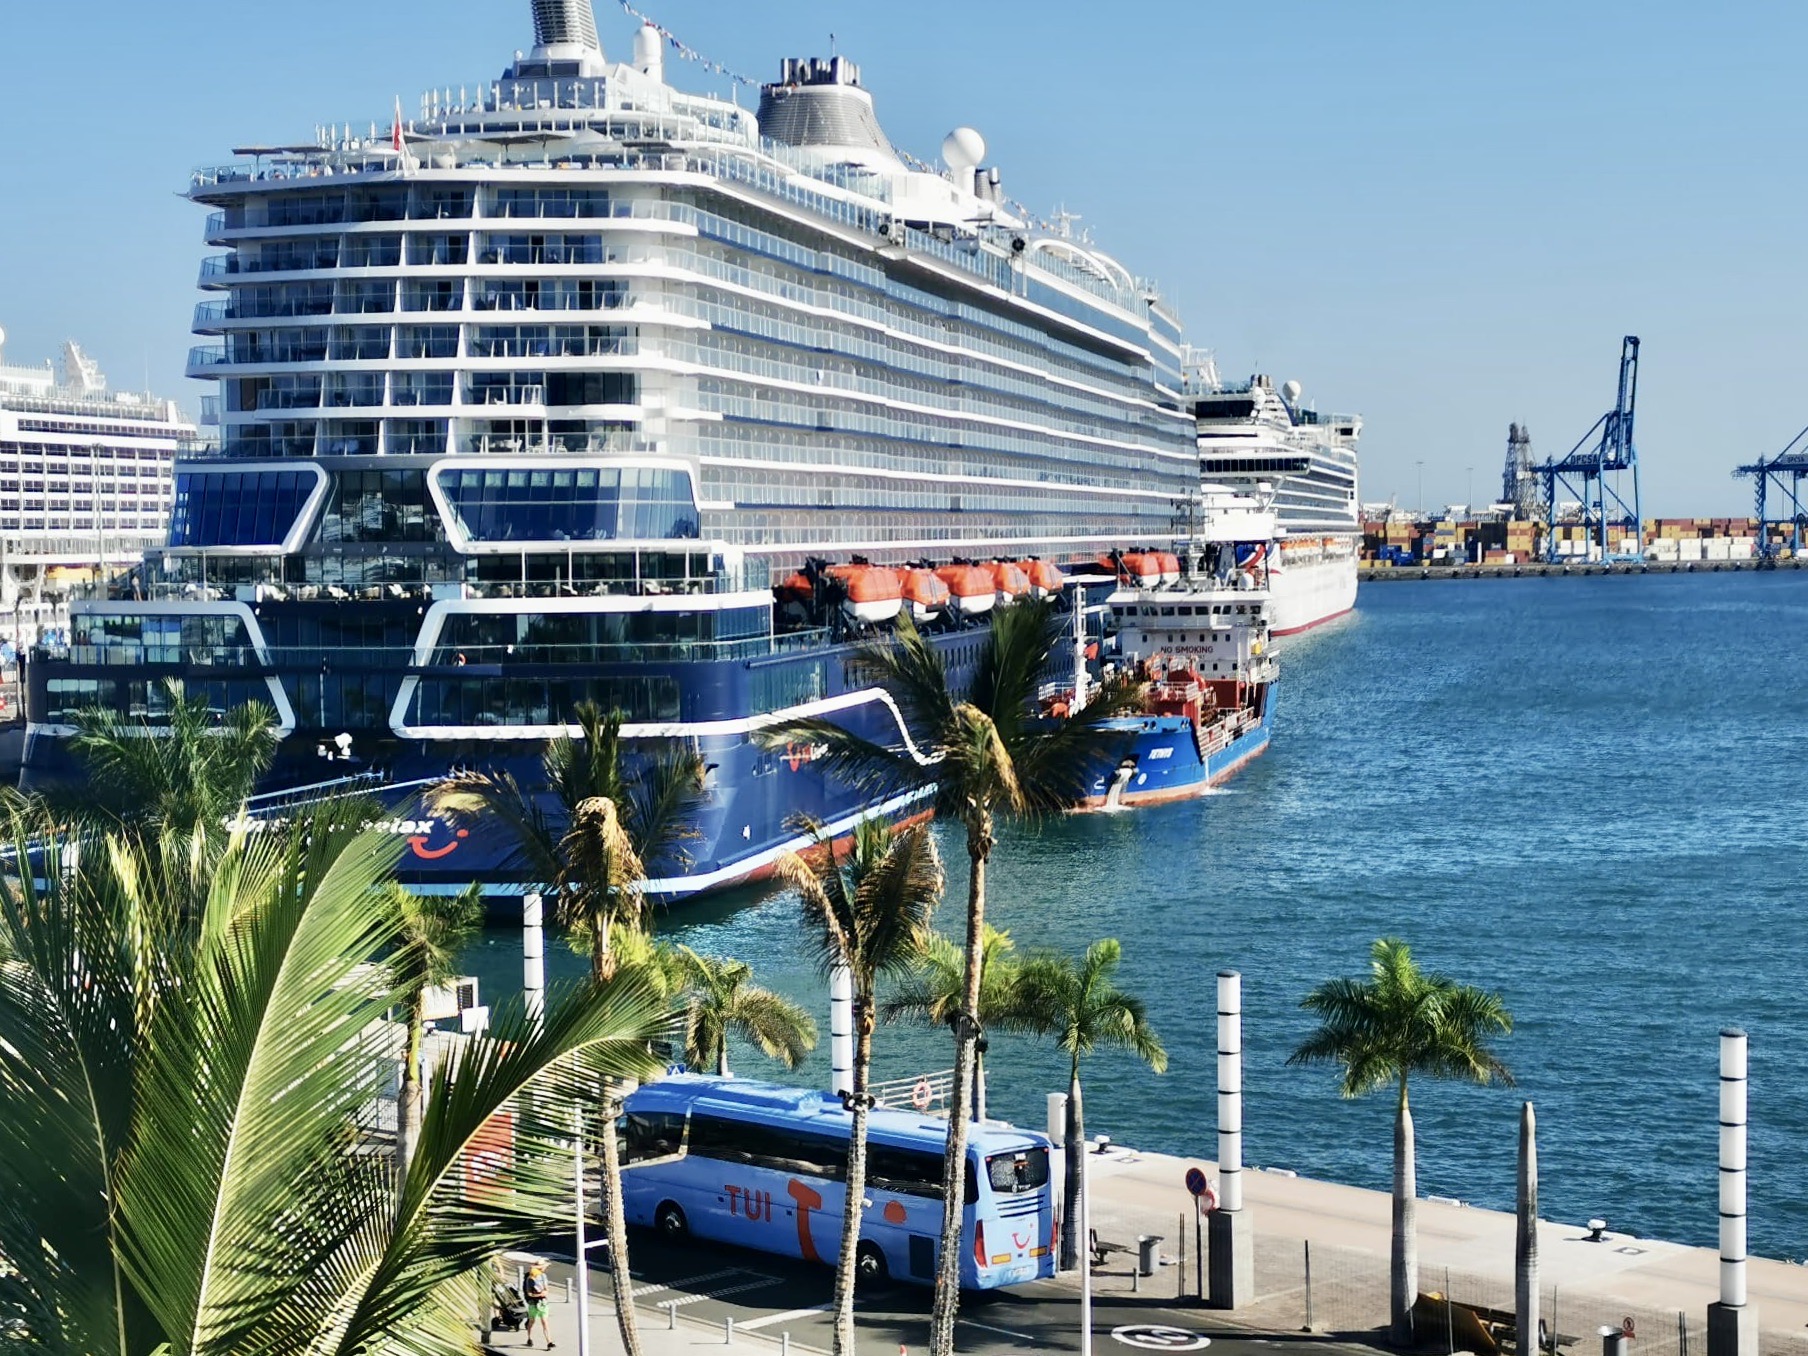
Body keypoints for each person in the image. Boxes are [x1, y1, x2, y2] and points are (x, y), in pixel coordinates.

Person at [522, 1261, 554, 1348]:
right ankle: (529, 1338)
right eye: (543, 1267)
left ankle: (549, 1341)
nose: (545, 1268)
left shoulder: (543, 1276)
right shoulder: (530, 1278)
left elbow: (547, 1289)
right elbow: (529, 1293)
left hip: (543, 1303)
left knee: (545, 1322)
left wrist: (545, 1292)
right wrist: (539, 1294)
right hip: (533, 1303)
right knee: (532, 1322)